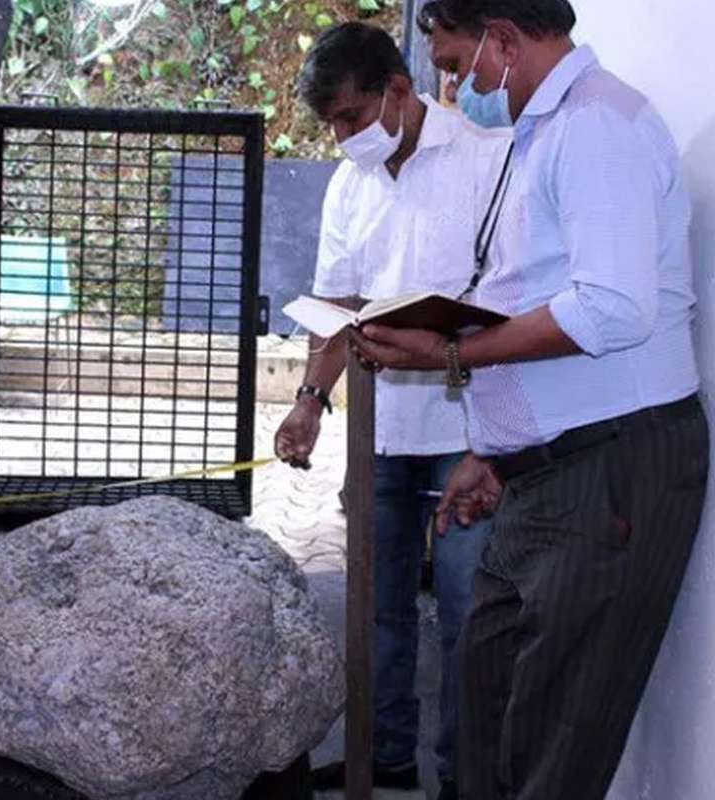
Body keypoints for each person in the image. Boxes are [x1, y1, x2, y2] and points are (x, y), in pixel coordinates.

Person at [356, 2, 709, 798]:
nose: (454, 86)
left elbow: (611, 308)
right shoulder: (543, 129)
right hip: (546, 474)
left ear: (504, 40)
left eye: (455, 64)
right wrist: (494, 450)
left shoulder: (596, 126)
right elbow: (540, 290)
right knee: (491, 719)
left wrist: (451, 349)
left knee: (552, 749)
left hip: (609, 471)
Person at [275, 23, 510, 800]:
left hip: (466, 432)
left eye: (350, 116)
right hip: (380, 431)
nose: (343, 138)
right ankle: (387, 755)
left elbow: (511, 301)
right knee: (375, 610)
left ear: (399, 90)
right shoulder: (351, 182)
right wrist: (310, 402)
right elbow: (338, 305)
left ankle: (460, 777)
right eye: (331, 125)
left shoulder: (486, 162)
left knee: (466, 610)